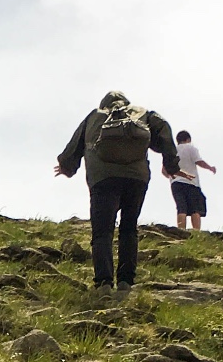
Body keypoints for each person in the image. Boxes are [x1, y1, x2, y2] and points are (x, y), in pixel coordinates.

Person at [54, 89, 180, 291]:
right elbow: (163, 129)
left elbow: (74, 145)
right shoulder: (142, 113)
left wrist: (67, 167)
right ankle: (126, 281)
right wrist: (171, 164)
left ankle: (103, 282)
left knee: (102, 231)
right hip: (136, 178)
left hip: (103, 179)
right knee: (129, 228)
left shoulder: (94, 116)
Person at [166, 131, 215, 232]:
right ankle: (196, 232)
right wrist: (210, 167)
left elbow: (164, 170)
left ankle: (181, 232)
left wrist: (173, 177)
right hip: (191, 183)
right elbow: (199, 161)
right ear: (188, 139)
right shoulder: (191, 148)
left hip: (176, 183)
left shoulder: (172, 150)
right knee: (195, 209)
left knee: (181, 208)